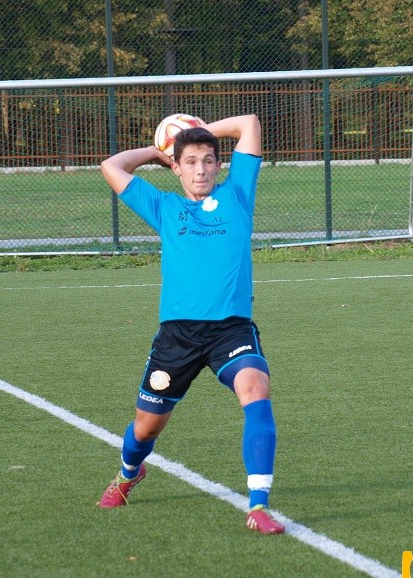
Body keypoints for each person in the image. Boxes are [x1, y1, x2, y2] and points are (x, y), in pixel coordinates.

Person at [97, 114, 284, 535]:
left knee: (256, 388)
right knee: (146, 427)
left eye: (208, 160)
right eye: (191, 162)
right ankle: (129, 473)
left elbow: (250, 123)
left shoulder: (238, 194)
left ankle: (258, 505)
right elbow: (112, 166)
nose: (200, 169)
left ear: (219, 165)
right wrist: (157, 151)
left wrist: (195, 134)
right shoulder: (164, 207)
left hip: (231, 330)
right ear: (177, 168)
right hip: (178, 336)